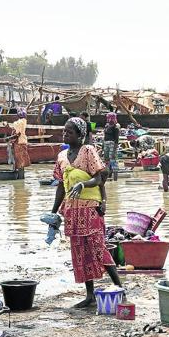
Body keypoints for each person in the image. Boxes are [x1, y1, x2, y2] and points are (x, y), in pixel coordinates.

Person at [50, 117, 122, 308]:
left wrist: (84, 184)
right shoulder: (62, 156)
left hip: (91, 207)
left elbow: (100, 177)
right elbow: (60, 187)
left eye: (70, 132)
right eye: (64, 131)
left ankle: (119, 289)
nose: (65, 134)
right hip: (71, 211)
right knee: (80, 252)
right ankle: (90, 295)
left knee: (98, 248)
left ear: (80, 135)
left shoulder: (88, 150)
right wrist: (53, 213)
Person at [5, 108, 31, 173]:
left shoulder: (18, 122)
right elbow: (16, 131)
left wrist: (9, 138)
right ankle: (19, 176)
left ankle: (18, 175)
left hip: (19, 143)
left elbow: (17, 134)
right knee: (20, 162)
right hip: (22, 142)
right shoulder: (24, 121)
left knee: (19, 162)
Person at [103, 112, 120, 181]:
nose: (109, 119)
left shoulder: (116, 127)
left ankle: (115, 178)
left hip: (112, 143)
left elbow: (116, 139)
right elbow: (105, 136)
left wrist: (115, 148)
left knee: (113, 159)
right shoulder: (106, 126)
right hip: (106, 143)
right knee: (106, 160)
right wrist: (102, 146)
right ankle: (109, 175)